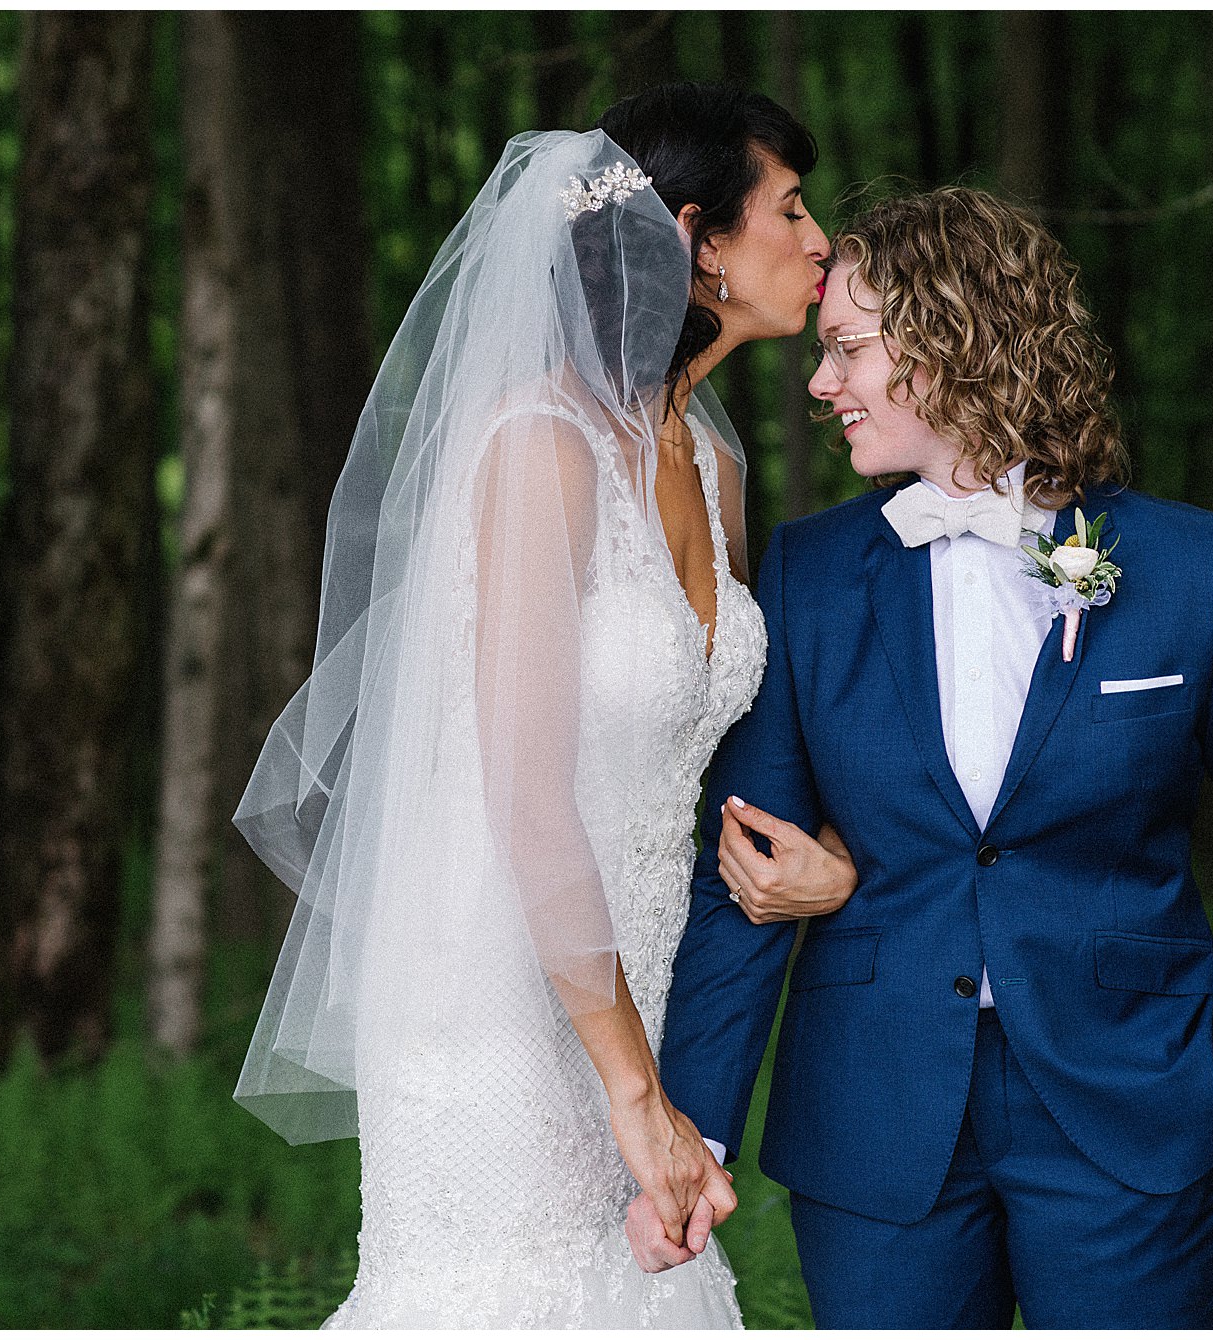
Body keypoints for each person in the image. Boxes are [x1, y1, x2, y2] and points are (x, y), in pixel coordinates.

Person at [631, 188, 1213, 1327]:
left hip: (1132, 1112)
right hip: (873, 1125)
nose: (820, 383)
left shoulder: (1187, 568)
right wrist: (692, 1124)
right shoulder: (807, 575)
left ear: (947, 340)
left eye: (847, 349)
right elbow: (744, 874)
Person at [229, 84, 850, 1327]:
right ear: (697, 239)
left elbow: (727, 755)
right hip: (499, 996)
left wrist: (828, 858)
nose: (821, 238)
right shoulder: (539, 446)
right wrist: (629, 1087)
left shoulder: (712, 463)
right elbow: (522, 790)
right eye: (789, 208)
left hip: (641, 976)